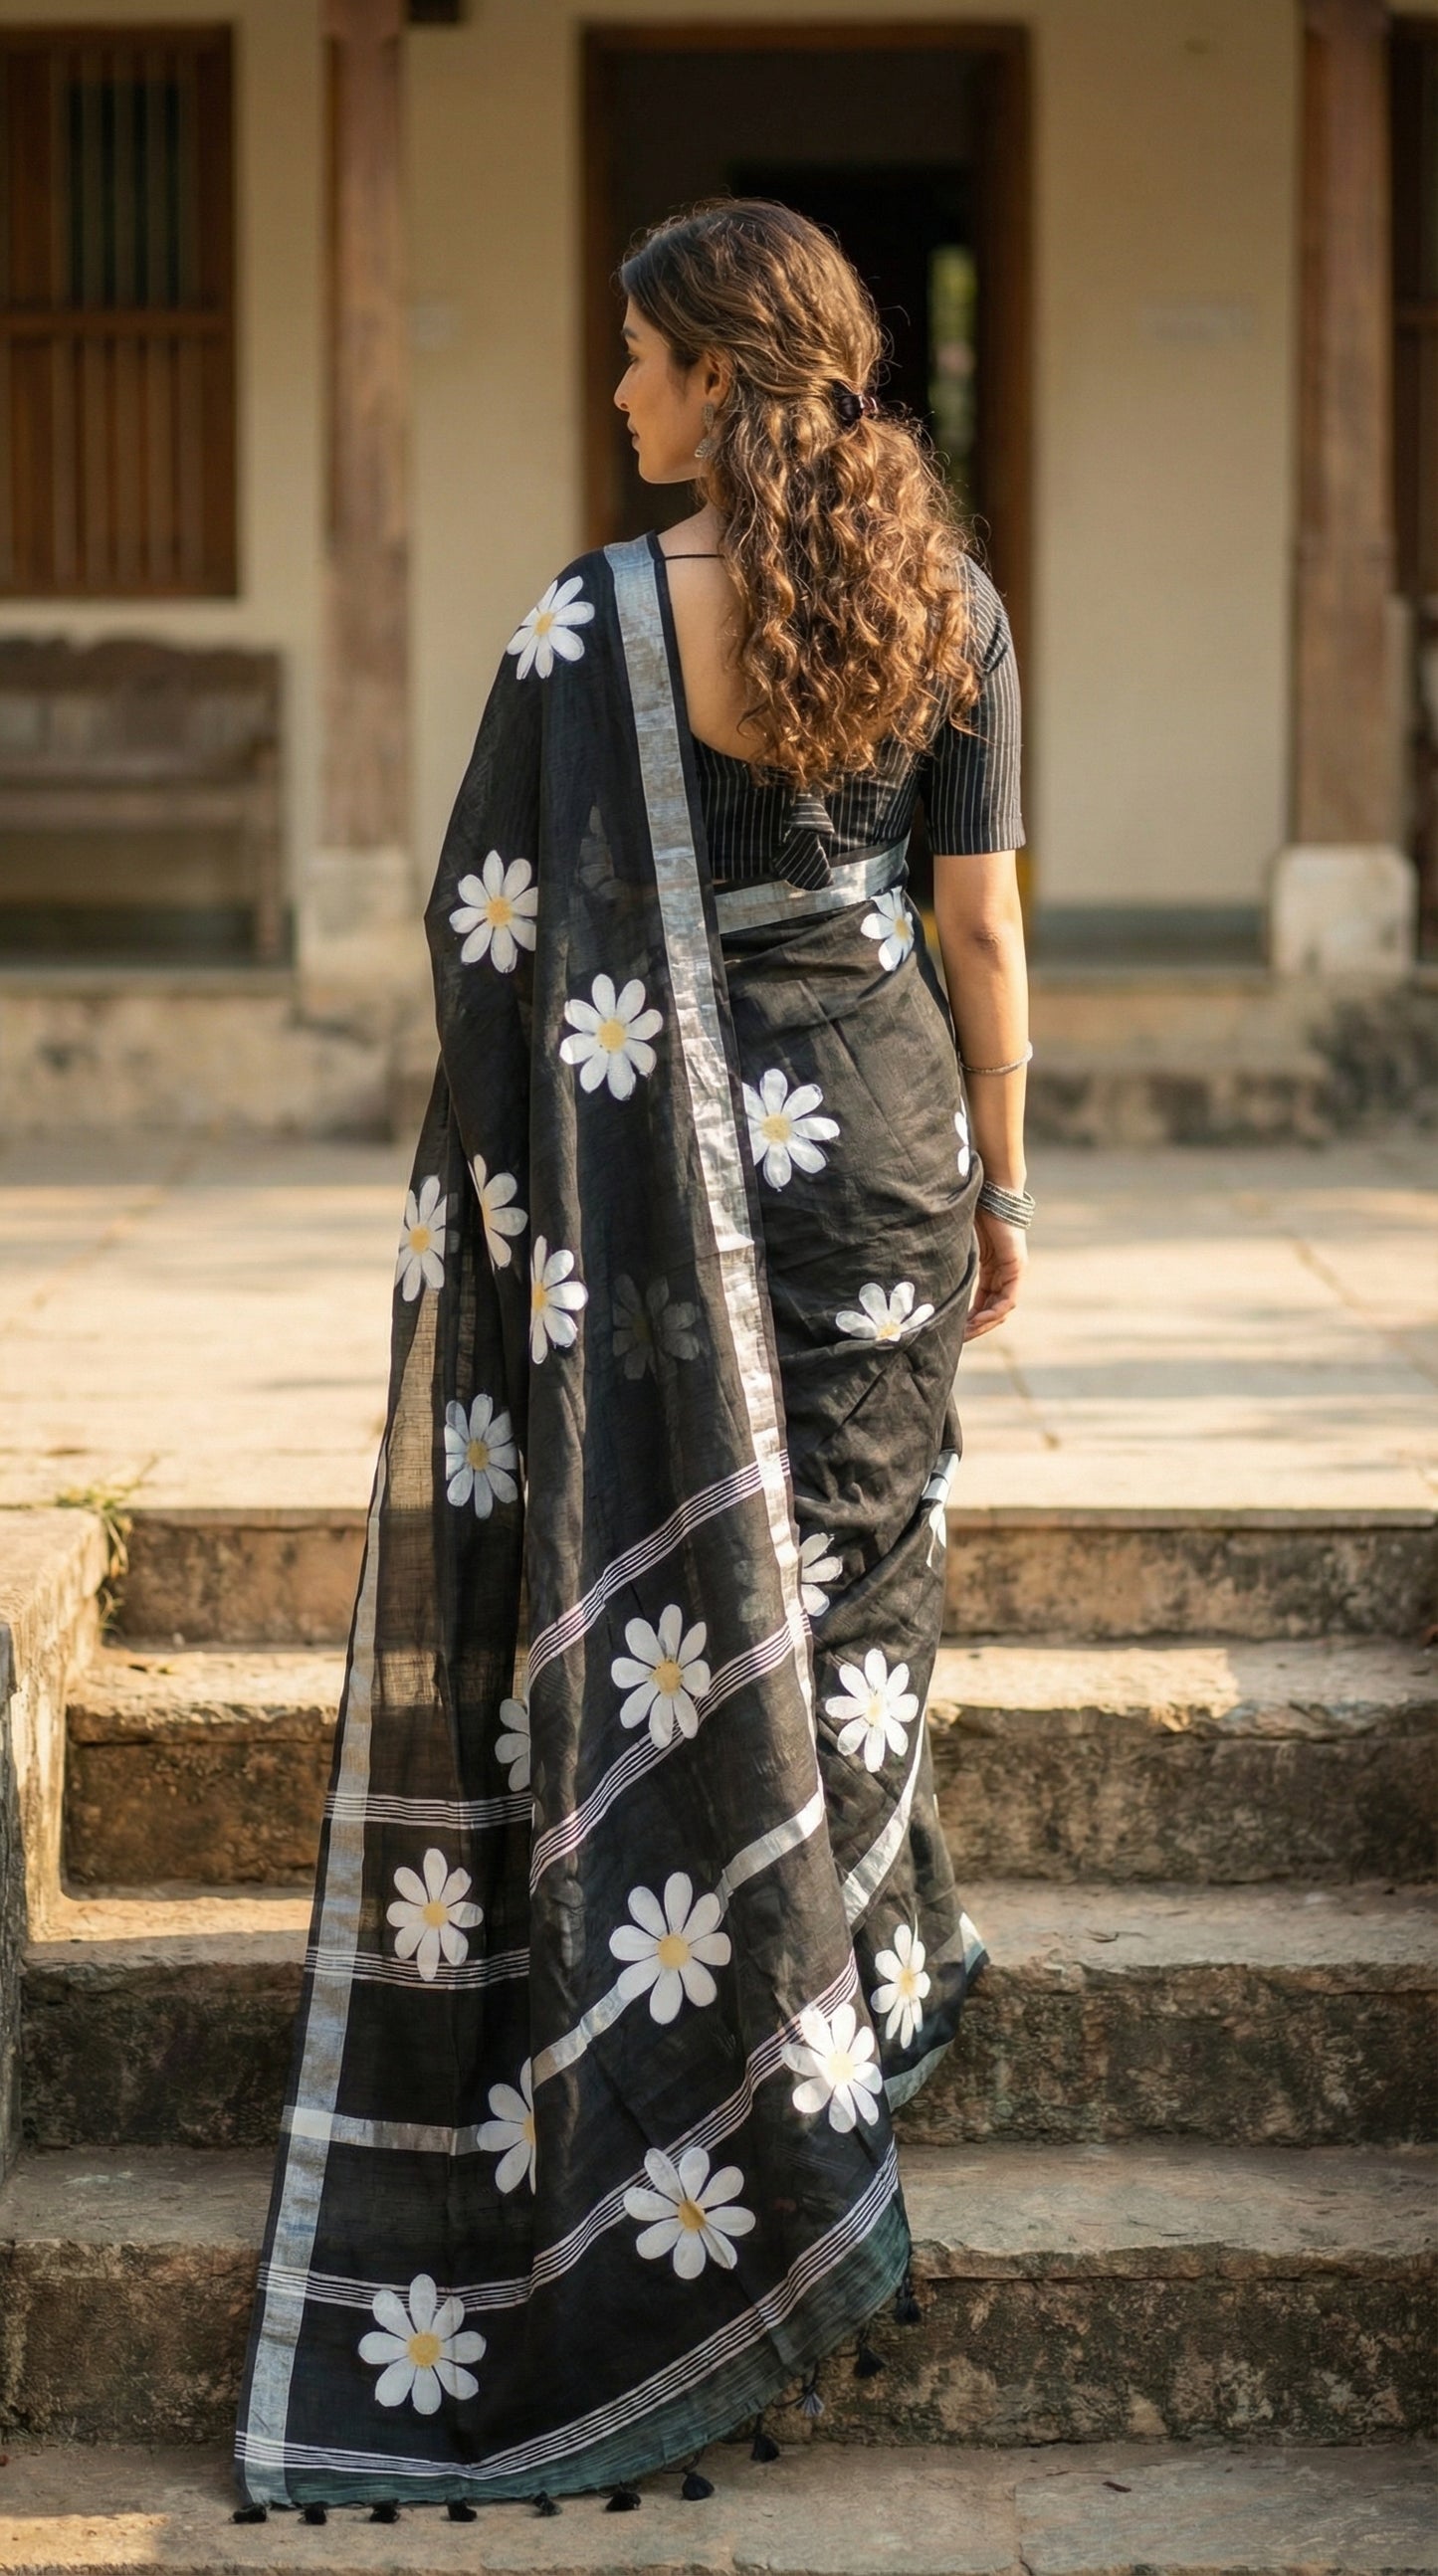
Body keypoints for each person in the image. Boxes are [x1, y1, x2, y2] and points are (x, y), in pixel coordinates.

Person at [234, 198, 1030, 2519]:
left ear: (712, 371)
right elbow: (982, 928)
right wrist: (1005, 1181)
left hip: (667, 1186)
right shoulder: (951, 599)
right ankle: (822, 2084)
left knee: (682, 1611)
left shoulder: (585, 624)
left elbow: (488, 927)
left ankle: (706, 2130)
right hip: (879, 1154)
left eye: (637, 359)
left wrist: (551, 1163)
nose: (615, 393)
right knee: (846, 1616)